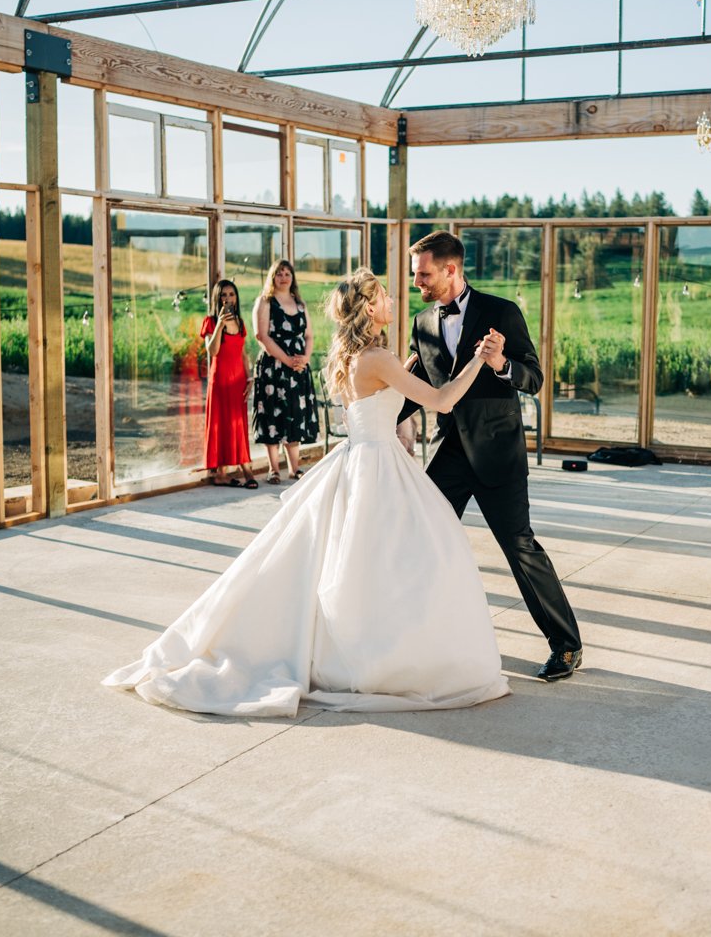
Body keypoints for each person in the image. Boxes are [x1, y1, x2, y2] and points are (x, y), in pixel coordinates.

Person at [102, 269, 510, 717]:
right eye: (385, 296)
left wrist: (409, 364)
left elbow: (380, 393)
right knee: (403, 561)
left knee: (365, 563)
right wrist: (480, 358)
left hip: (357, 458)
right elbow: (444, 400)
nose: (393, 300)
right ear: (370, 308)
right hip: (379, 466)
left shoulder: (355, 356)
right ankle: (385, 657)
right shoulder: (378, 359)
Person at [397, 231, 583, 681]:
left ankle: (566, 645)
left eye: (423, 274)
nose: (416, 282)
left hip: (499, 453)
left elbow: (534, 378)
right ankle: (416, 637)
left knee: (520, 547)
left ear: (450, 270)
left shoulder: (501, 312)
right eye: (414, 274)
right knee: (422, 542)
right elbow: (414, 391)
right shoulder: (422, 324)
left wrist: (501, 365)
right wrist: (376, 418)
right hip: (449, 455)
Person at [252, 259, 319, 484]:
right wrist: (287, 360)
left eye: (287, 273)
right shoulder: (265, 301)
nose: (283, 277)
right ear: (273, 276)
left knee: (294, 415)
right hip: (274, 367)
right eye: (279, 273)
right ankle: (273, 469)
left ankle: (294, 468)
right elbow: (261, 336)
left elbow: (309, 335)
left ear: (292, 277)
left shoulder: (300, 303)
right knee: (272, 415)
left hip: (297, 368)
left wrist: (305, 358)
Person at [201, 280, 258, 489]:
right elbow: (213, 350)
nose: (228, 298)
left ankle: (241, 467)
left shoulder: (241, 323)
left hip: (238, 381)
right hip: (220, 381)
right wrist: (219, 325)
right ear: (218, 298)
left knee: (238, 424)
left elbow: (243, 354)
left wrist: (250, 377)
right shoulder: (210, 321)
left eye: (231, 294)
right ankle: (225, 472)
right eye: (223, 295)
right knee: (220, 423)